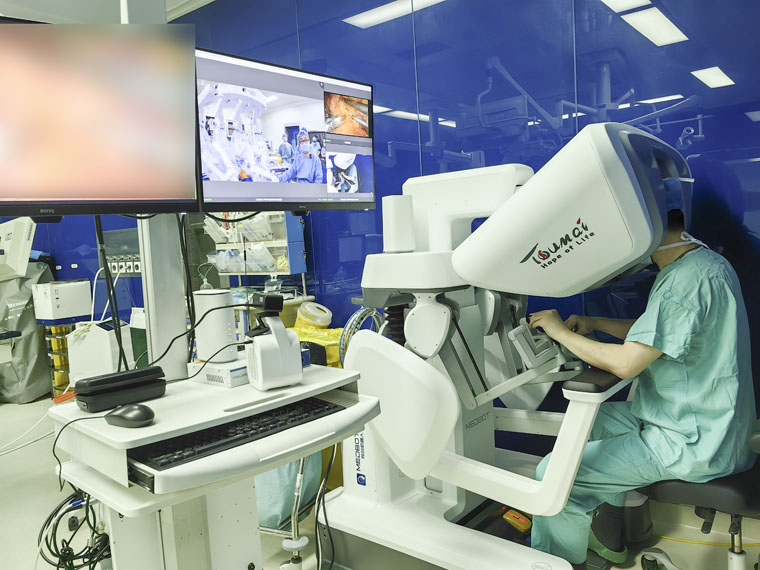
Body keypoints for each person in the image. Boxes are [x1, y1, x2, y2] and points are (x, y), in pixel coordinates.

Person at [527, 208, 757, 570]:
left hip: (692, 442)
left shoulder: (682, 282)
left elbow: (626, 364)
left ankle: (559, 563)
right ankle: (609, 535)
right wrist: (596, 322)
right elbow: (664, 330)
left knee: (553, 474)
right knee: (594, 422)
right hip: (713, 424)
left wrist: (559, 332)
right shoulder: (704, 264)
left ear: (645, 231)